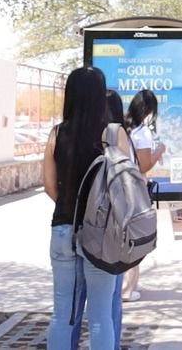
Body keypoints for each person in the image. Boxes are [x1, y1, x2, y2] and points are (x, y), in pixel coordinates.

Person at [43, 66, 130, 350]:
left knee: (62, 313)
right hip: (102, 236)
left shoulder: (57, 133)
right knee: (100, 316)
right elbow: (126, 187)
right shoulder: (114, 134)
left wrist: (72, 208)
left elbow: (48, 186)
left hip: (63, 229)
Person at [70, 90, 128, 350]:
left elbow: (52, 186)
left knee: (68, 308)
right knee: (106, 308)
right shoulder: (118, 137)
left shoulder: (67, 134)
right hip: (107, 232)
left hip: (70, 226)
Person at [120, 89, 165, 303]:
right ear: (149, 111)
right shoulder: (142, 132)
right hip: (135, 190)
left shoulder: (121, 127)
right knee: (135, 239)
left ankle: (118, 287)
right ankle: (128, 289)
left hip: (116, 186)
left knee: (117, 238)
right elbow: (144, 165)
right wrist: (160, 150)